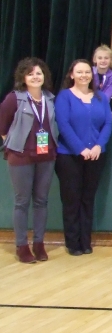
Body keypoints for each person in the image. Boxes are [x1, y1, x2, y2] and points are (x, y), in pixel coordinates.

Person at [0, 58, 59, 263]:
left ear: (44, 76)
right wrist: (15, 143)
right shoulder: (14, 98)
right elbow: (3, 126)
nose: (35, 77)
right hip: (21, 156)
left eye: (39, 73)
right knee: (22, 202)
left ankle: (39, 243)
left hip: (46, 156)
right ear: (23, 77)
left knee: (41, 201)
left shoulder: (49, 98)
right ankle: (21, 246)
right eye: (30, 73)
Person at [54, 59, 112, 256]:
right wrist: (80, 148)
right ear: (72, 75)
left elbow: (107, 124)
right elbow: (63, 125)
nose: (84, 75)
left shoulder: (101, 97)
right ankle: (73, 243)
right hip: (69, 156)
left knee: (88, 199)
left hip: (96, 156)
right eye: (79, 72)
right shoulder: (64, 97)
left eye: (87, 72)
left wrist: (98, 146)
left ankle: (86, 241)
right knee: (71, 200)